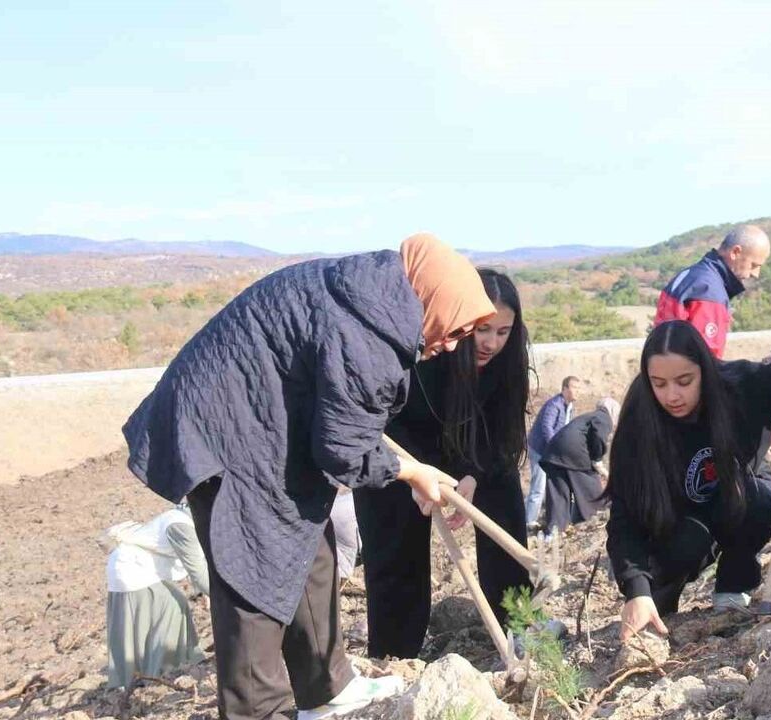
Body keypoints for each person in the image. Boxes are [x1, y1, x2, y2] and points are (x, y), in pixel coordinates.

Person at [123, 233, 495, 720]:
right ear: (432, 296)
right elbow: (343, 451)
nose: (450, 345)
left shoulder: (375, 295)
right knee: (252, 573)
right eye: (454, 328)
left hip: (262, 426)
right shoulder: (373, 334)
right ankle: (259, 710)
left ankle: (324, 687)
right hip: (226, 436)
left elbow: (342, 418)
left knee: (309, 551)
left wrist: (411, 470)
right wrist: (411, 472)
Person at [606, 321, 771, 639]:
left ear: (705, 371)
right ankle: (660, 594)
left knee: (760, 502)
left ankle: (733, 590)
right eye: (659, 384)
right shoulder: (640, 417)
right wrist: (636, 590)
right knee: (680, 555)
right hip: (671, 529)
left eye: (685, 381)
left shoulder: (736, 385)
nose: (672, 395)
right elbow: (623, 517)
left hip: (729, 506)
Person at [354, 268, 532, 660]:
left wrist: (473, 474)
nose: (491, 343)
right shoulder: (430, 349)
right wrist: (415, 476)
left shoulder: (508, 363)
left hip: (465, 450)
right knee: (395, 538)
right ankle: (394, 655)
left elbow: (502, 434)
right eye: (483, 330)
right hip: (402, 447)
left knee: (501, 488)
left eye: (503, 332)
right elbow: (389, 423)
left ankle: (519, 622)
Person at [104, 506, 209, 689]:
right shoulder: (181, 526)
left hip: (128, 566)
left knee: (172, 604)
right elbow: (198, 573)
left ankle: (159, 666)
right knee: (172, 608)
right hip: (132, 569)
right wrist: (227, 600)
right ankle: (161, 670)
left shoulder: (180, 517)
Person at [653, 225, 771, 358]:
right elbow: (707, 358)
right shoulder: (710, 291)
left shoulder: (692, 275)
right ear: (735, 252)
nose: (756, 274)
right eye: (753, 265)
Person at [538, 397, 620, 535]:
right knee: (590, 483)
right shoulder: (603, 417)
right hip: (573, 453)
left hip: (555, 451)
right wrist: (597, 459)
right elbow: (599, 436)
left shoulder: (588, 417)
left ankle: (555, 530)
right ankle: (598, 514)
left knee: (558, 492)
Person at [525, 376, 579, 529]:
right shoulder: (555, 405)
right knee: (538, 486)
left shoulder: (569, 407)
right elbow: (547, 429)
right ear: (564, 389)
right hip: (540, 450)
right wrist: (558, 448)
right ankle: (529, 522)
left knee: (547, 485)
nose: (578, 391)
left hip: (551, 451)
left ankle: (529, 513)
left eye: (579, 388)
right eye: (574, 387)